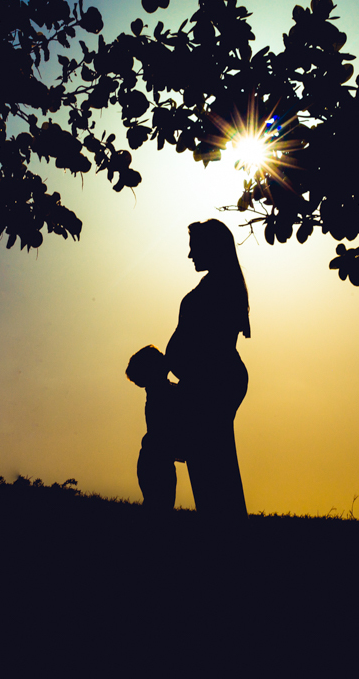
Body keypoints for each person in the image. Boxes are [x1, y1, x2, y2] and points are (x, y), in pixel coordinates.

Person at [165, 219, 250, 520]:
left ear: (211, 248)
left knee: (211, 464)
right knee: (212, 461)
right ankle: (222, 527)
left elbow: (208, 344)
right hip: (212, 381)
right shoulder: (220, 285)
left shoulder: (219, 288)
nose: (190, 255)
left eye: (194, 248)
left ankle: (222, 530)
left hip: (211, 384)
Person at [125, 345, 187, 511]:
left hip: (155, 459)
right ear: (153, 369)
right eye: (159, 357)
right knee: (160, 508)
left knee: (158, 507)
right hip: (157, 462)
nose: (164, 357)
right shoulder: (161, 394)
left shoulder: (161, 391)